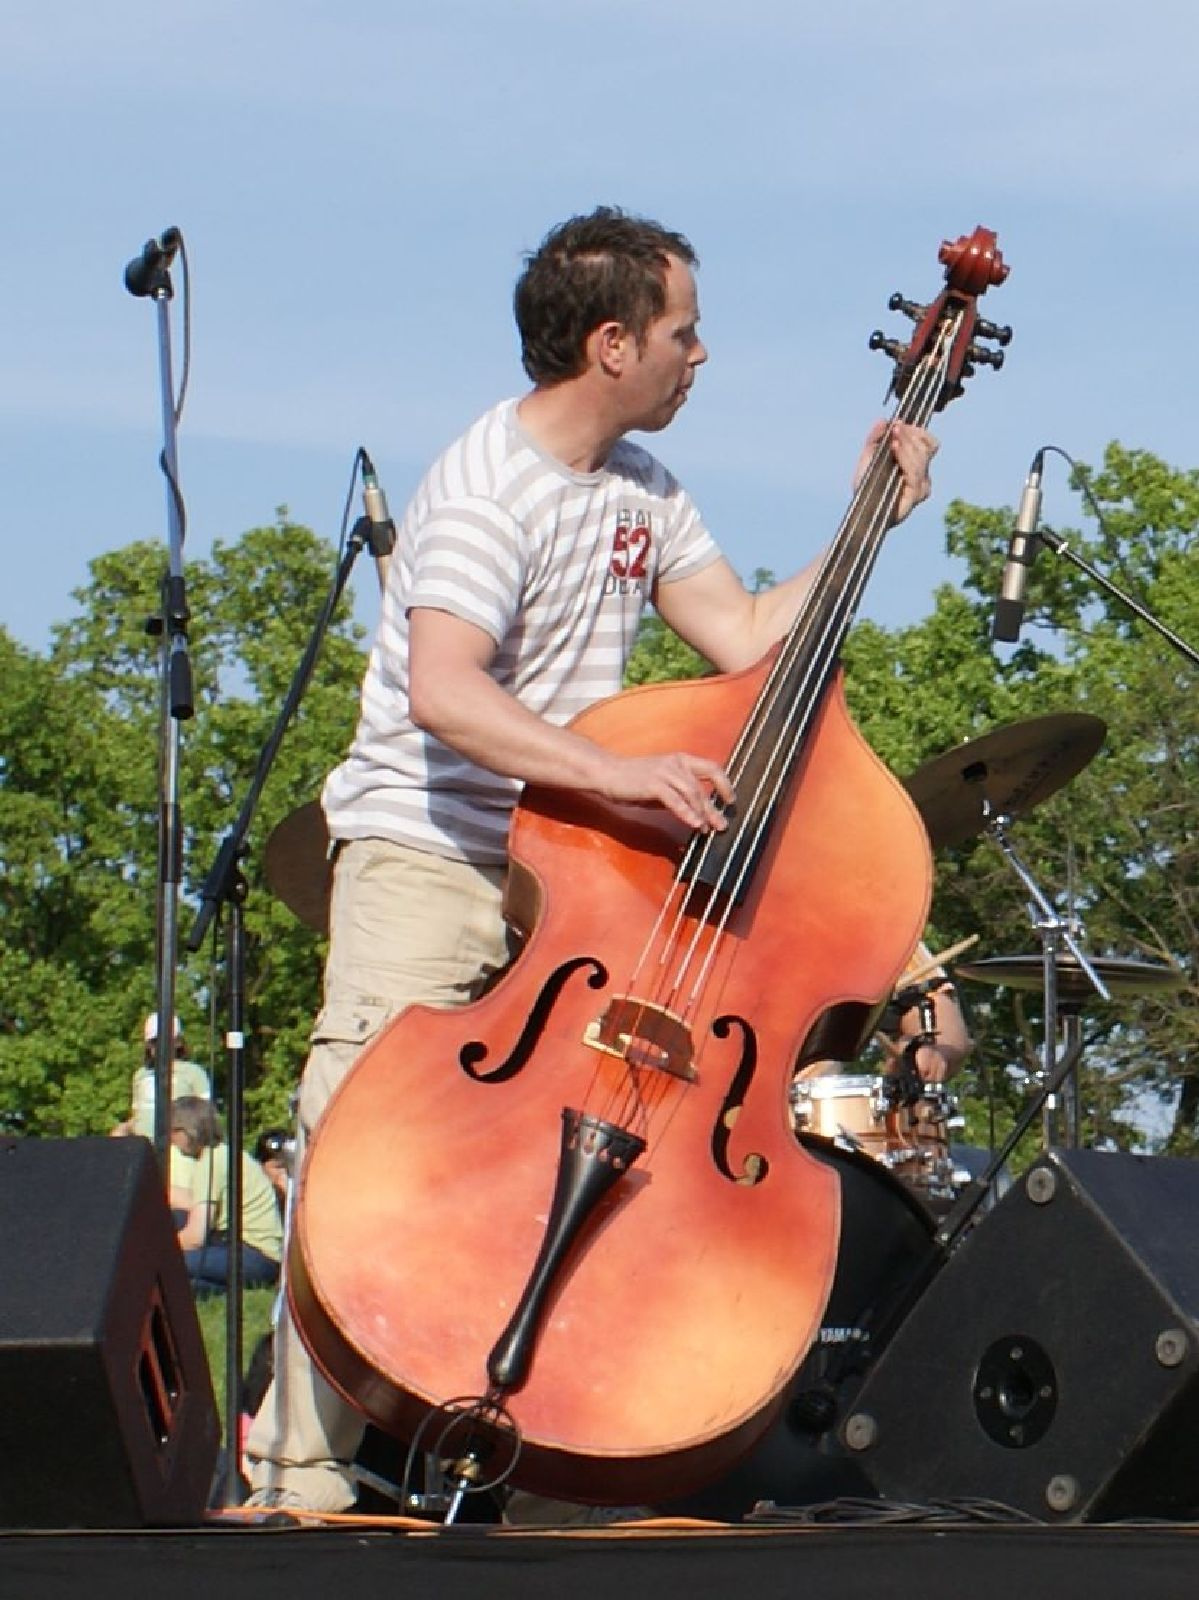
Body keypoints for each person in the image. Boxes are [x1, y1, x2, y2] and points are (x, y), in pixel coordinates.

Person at [247, 206, 938, 1513]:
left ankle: (504, 1436)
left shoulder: (643, 493)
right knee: (361, 1146)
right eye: (684, 330)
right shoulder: (482, 490)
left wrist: (864, 523)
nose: (702, 354)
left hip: (572, 879)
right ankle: (296, 1479)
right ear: (612, 342)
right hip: (431, 851)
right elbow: (447, 694)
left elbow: (740, 639)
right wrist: (624, 773)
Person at [169, 1097, 283, 1296]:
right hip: (247, 1248)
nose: (171, 1139)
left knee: (171, 1264)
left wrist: (156, 1250)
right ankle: (211, 1288)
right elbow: (192, 1203)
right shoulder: (223, 1154)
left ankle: (199, 1287)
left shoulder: (211, 1162)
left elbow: (196, 1237)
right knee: (175, 1219)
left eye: (172, 1131)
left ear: (185, 1131)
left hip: (255, 1255)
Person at [113, 1013, 211, 1139]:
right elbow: (137, 1116)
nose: (159, 1047)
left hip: (177, 1147)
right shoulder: (140, 1075)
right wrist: (123, 1129)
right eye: (154, 1042)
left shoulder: (194, 1072)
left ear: (178, 1043)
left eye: (166, 1041)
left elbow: (205, 1118)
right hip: (143, 1145)